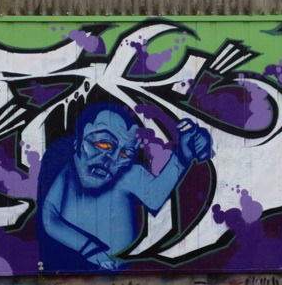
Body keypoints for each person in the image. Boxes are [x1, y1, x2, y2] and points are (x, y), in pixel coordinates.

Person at [37, 102, 211, 271]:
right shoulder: (69, 169)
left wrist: (183, 156)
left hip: (127, 274)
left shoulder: (129, 174)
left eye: (125, 153)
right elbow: (50, 215)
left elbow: (155, 197)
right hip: (75, 268)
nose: (111, 159)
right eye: (103, 144)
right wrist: (91, 251)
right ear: (78, 142)